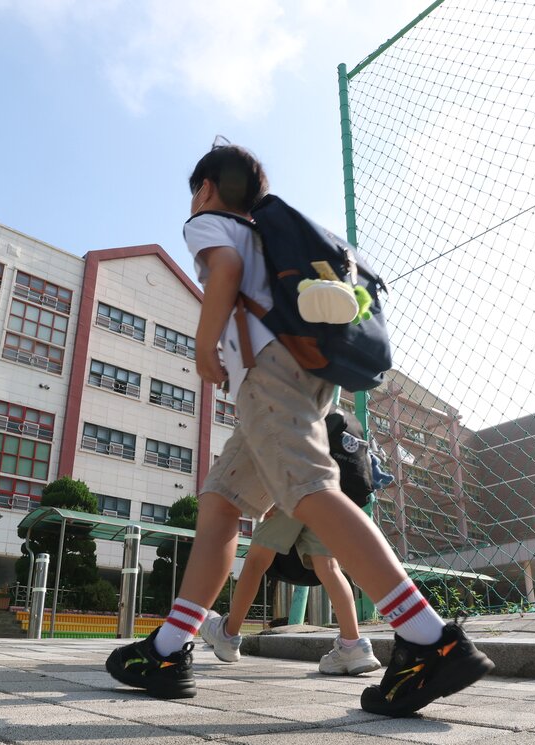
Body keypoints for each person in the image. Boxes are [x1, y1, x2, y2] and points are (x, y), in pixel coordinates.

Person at [105, 142, 493, 716]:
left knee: (313, 492)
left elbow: (225, 272)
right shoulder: (267, 233)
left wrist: (205, 343)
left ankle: (430, 638)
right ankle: (168, 650)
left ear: (206, 189)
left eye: (195, 191)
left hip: (268, 378)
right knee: (219, 503)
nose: (194, 201)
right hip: (296, 374)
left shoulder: (211, 225)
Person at [201, 509, 380, 675]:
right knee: (329, 566)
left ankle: (228, 635)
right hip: (326, 489)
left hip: (288, 483)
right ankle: (352, 645)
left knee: (257, 561)